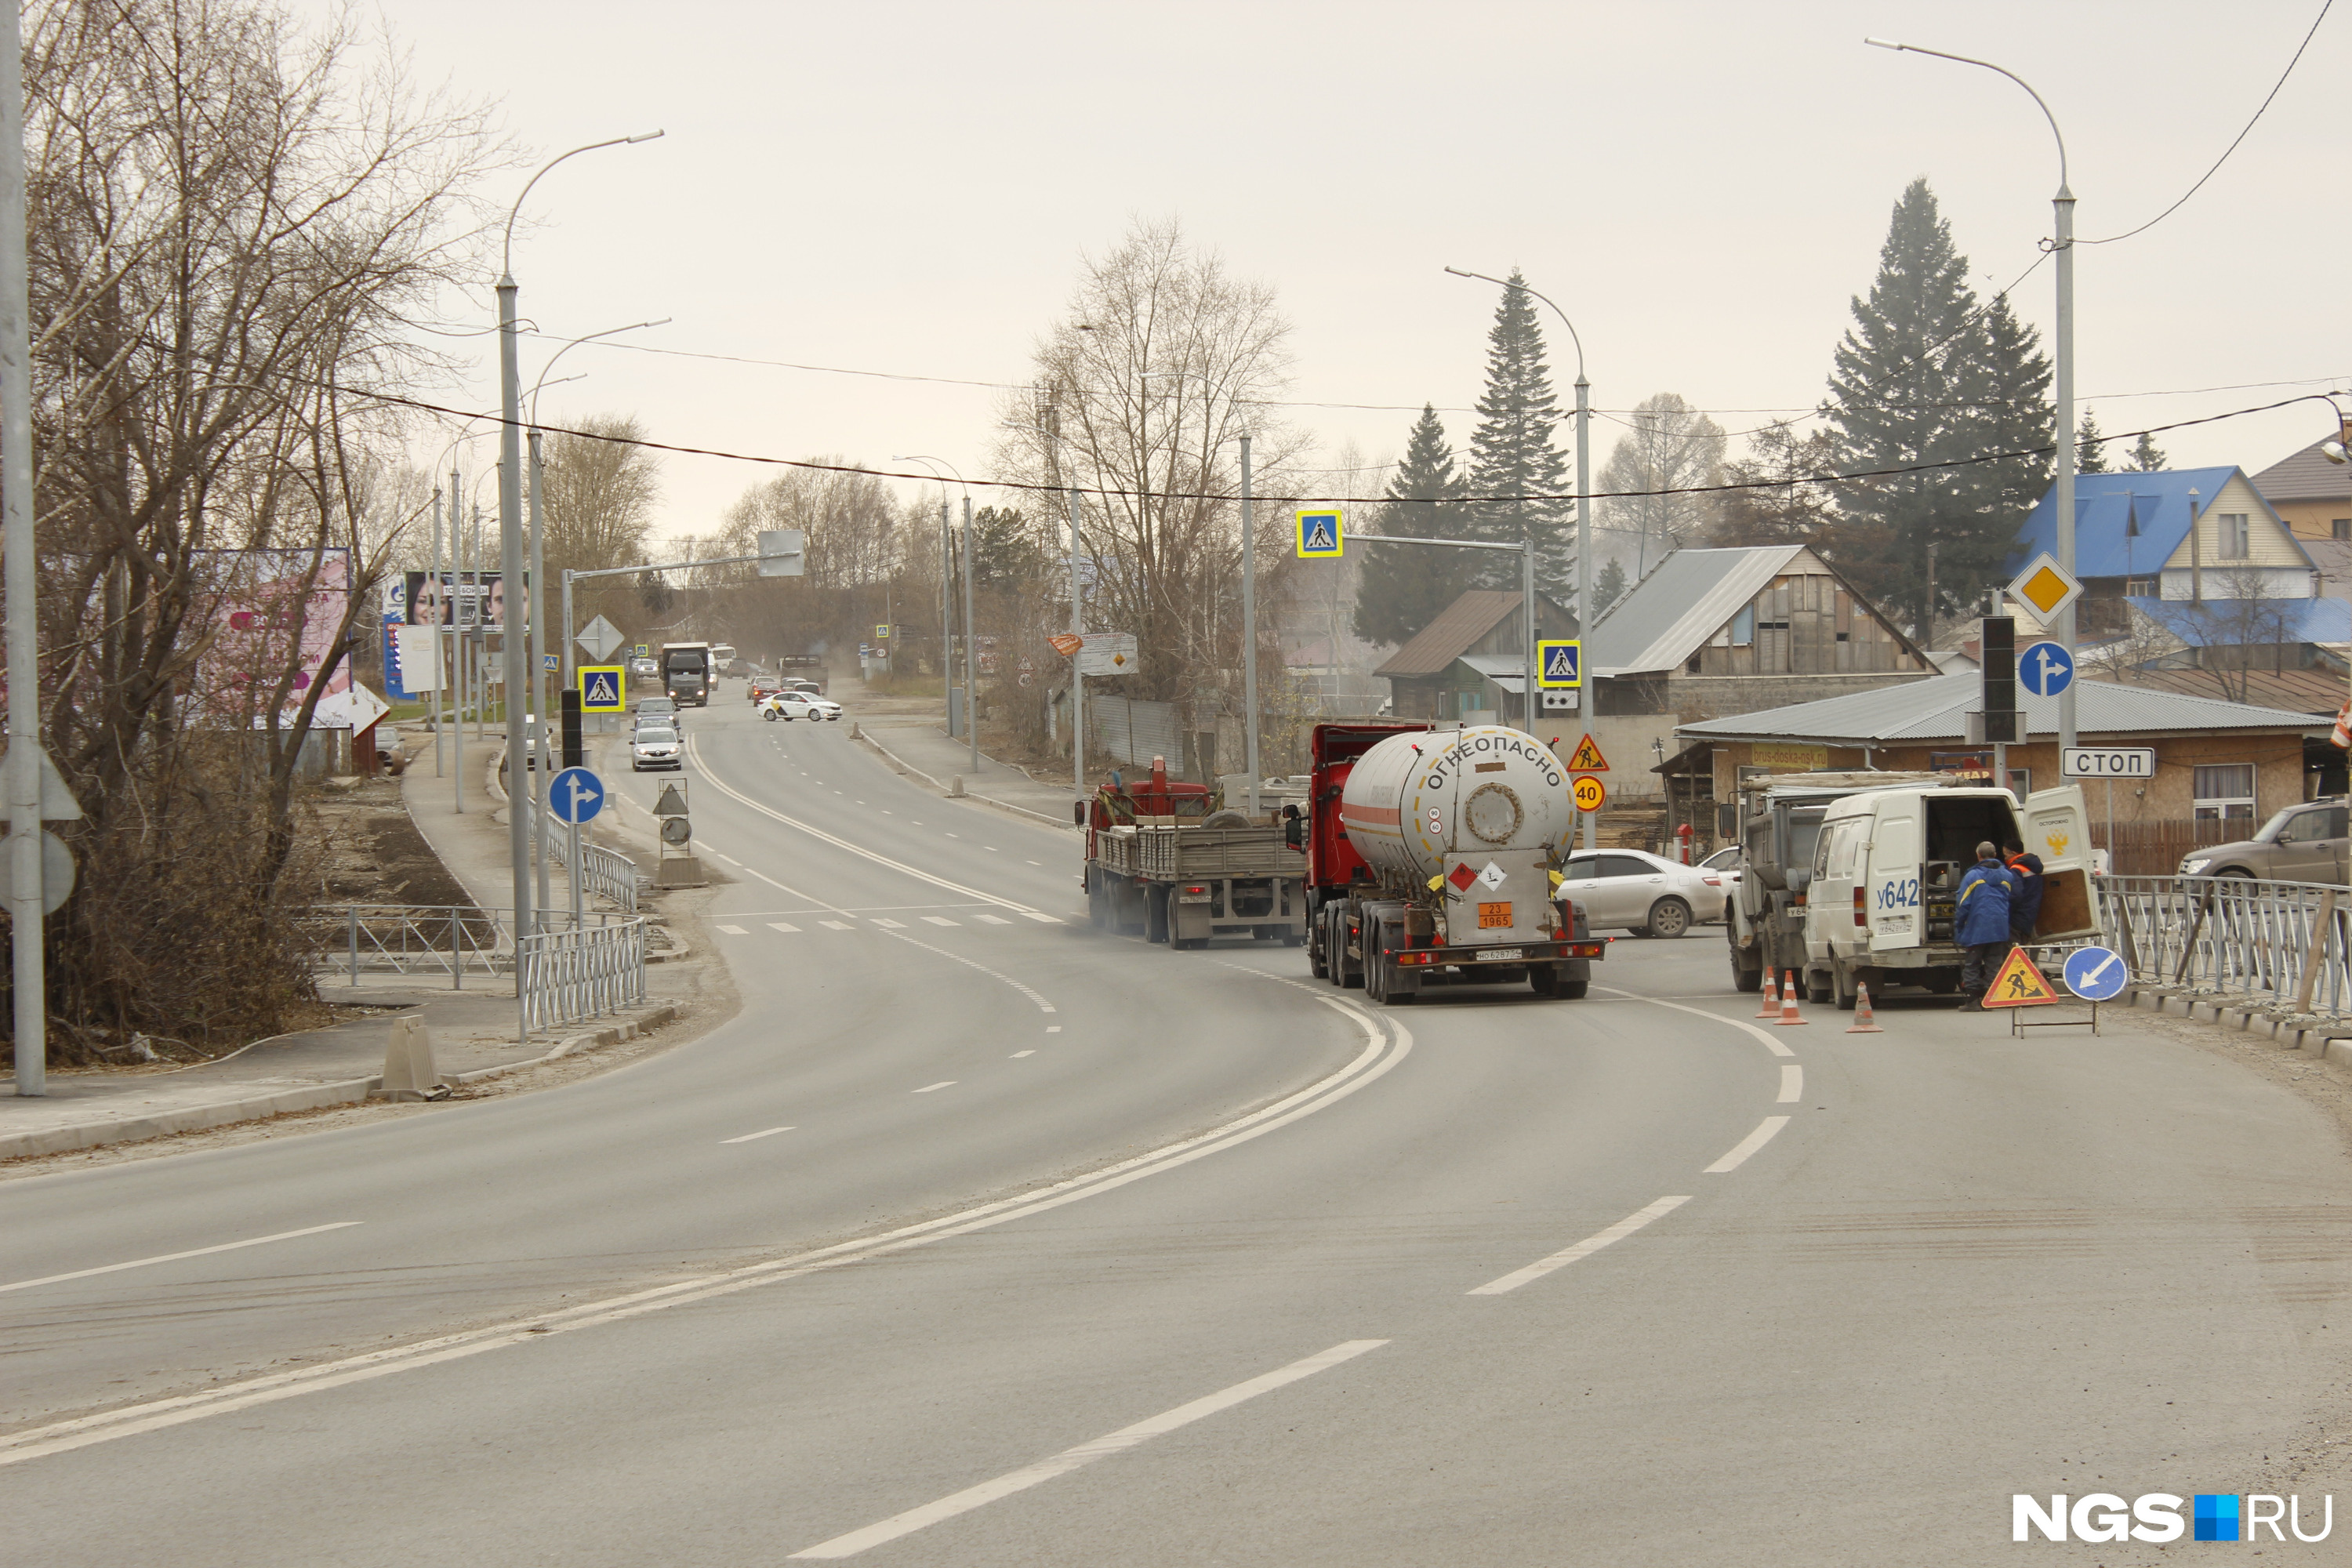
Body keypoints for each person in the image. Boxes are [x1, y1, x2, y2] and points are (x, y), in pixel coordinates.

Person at [1955, 840, 2019, 1011]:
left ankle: (1972, 1002)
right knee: (1993, 965)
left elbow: (1963, 905)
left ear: (1978, 856)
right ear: (1995, 855)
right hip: (2000, 927)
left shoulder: (1972, 876)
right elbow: (2012, 899)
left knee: (1972, 965)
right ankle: (1988, 1000)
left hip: (1977, 927)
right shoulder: (2008, 876)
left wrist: (1958, 927)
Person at [2004, 841, 2045, 943]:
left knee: (2013, 952)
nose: (2004, 859)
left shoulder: (2016, 869)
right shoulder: (2033, 867)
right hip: (2030, 915)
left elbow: (2015, 895)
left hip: (2017, 917)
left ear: (2013, 854)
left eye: (2005, 855)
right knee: (2023, 949)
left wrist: (2006, 910)